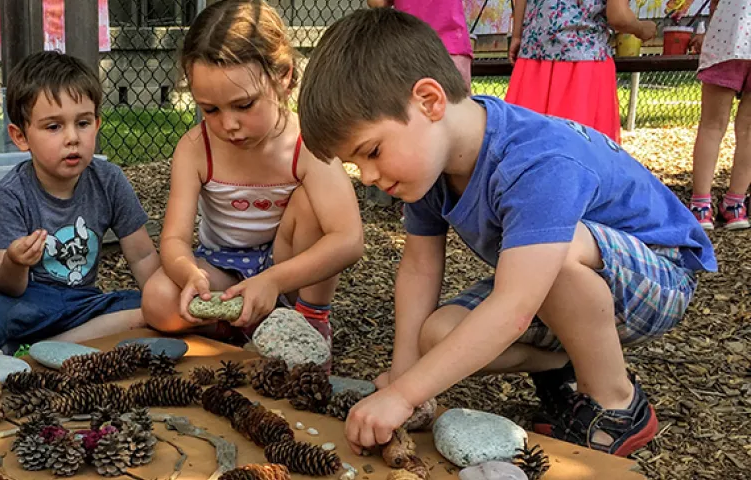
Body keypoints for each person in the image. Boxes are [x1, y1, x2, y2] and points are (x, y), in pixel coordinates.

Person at [298, 8, 714, 457]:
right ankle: (570, 365)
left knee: (554, 254)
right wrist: (405, 375)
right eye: (356, 164)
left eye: (372, 152)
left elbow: (515, 305)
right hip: (576, 284)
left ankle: (617, 404)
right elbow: (419, 268)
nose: (366, 176)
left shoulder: (534, 161)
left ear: (429, 101)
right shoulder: (427, 168)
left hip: (660, 274)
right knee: (438, 336)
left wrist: (403, 397)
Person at [141, 0, 364, 354]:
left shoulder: (306, 143)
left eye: (244, 105)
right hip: (222, 267)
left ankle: (308, 324)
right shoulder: (197, 147)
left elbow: (349, 239)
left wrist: (273, 280)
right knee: (157, 300)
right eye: (210, 109)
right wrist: (189, 276)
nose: (228, 124)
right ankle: (244, 326)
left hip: (288, 268)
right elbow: (174, 240)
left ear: (284, 77)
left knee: (312, 203)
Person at [0, 51, 160, 350]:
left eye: (83, 123)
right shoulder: (12, 193)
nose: (72, 138)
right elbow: (6, 285)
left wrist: (163, 300)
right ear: (21, 136)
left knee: (146, 307)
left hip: (81, 304)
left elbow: (142, 257)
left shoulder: (109, 180)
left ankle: (41, 346)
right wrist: (15, 261)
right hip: (24, 301)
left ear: (98, 123)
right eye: (54, 127)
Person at [505, 0, 657, 141]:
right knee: (581, 148)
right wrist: (642, 29)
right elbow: (618, 16)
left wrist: (517, 35)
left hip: (533, 58)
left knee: (525, 144)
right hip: (584, 64)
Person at [688, 0, 751, 229]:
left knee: (712, 126)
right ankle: (735, 205)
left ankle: (700, 207)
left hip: (728, 38)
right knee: (749, 129)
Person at [367, 0, 474, 85]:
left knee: (413, 104)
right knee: (459, 104)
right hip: (453, 41)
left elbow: (377, 3)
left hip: (411, 42)